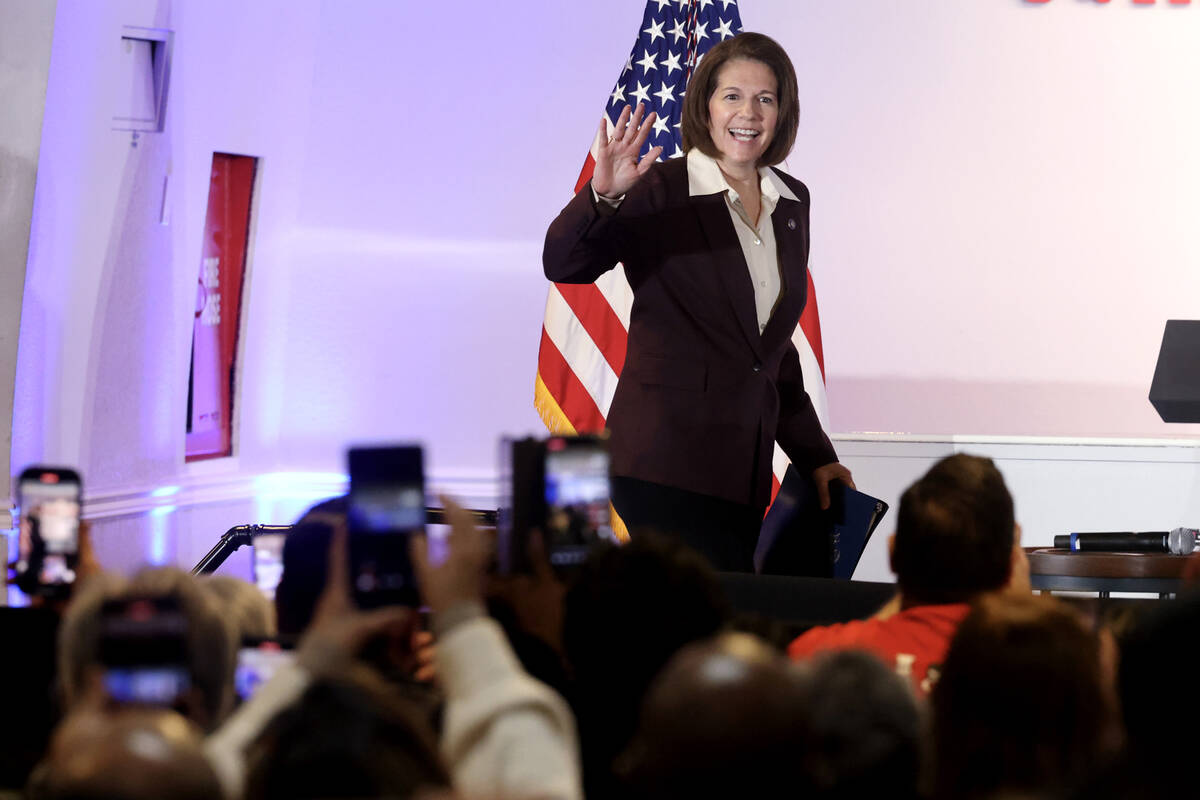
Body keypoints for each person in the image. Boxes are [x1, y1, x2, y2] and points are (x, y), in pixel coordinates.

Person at [543, 32, 853, 571]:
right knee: (693, 627)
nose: (748, 113)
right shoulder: (660, 189)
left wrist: (818, 456)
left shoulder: (792, 201)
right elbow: (566, 264)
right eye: (732, 96)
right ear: (705, 107)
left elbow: (771, 353)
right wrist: (604, 195)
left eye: (765, 98)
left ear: (783, 112)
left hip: (742, 473)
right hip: (663, 463)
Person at [787, 453, 1030, 696]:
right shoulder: (1044, 671)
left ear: (893, 553)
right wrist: (1023, 615)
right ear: (1012, 560)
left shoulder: (817, 660)